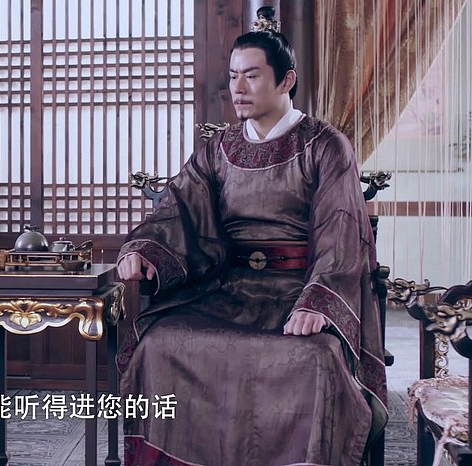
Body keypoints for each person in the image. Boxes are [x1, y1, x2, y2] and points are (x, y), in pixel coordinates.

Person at [117, 8, 388, 466]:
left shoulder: (325, 146)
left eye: (252, 75)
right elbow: (177, 209)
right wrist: (145, 250)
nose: (237, 88)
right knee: (160, 343)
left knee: (317, 358)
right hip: (228, 289)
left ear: (286, 81)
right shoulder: (217, 150)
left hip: (298, 292)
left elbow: (341, 228)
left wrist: (318, 302)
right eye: (233, 76)